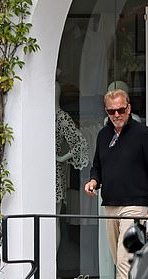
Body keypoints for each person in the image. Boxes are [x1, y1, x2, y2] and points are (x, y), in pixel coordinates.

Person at [84, 89, 148, 279]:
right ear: (107, 112)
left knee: (125, 261)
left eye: (121, 109)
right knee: (120, 260)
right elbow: (97, 165)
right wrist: (93, 181)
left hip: (135, 206)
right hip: (110, 204)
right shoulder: (103, 135)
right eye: (112, 111)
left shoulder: (144, 135)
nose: (117, 114)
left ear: (129, 108)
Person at [55, 82, 89, 249]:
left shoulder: (61, 116)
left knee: (52, 221)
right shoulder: (47, 115)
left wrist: (61, 158)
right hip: (40, 174)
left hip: (55, 174)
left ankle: (50, 264)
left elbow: (80, 144)